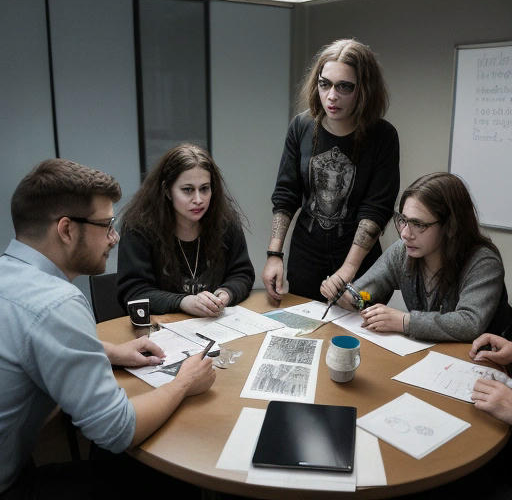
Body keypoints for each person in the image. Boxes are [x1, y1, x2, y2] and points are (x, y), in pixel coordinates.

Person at [0, 159, 216, 498]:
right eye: (106, 225)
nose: (114, 237)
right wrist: (185, 381)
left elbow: (31, 338)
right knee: (159, 479)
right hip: (10, 483)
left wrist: (111, 351)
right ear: (67, 230)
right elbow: (119, 431)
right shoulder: (57, 302)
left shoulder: (11, 276)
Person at [262, 38, 400, 303]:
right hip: (307, 254)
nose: (332, 96)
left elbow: (376, 209)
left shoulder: (382, 136)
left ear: (364, 90)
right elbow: (286, 194)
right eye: (324, 84)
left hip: (359, 259)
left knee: (359, 337)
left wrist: (347, 271)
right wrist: (274, 255)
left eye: (344, 87)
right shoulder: (301, 126)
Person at [322, 172, 512, 342]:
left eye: (418, 224)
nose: (405, 233)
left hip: (483, 363)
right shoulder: (403, 251)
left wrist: (405, 321)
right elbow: (363, 294)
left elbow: (469, 323)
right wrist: (341, 294)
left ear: (451, 226)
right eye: (403, 220)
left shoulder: (483, 262)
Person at [117, 143, 254, 318]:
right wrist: (183, 301)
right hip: (163, 330)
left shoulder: (225, 222)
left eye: (204, 189)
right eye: (187, 190)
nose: (198, 199)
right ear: (167, 190)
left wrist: (226, 293)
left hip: (215, 324)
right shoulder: (139, 228)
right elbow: (134, 292)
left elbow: (242, 273)